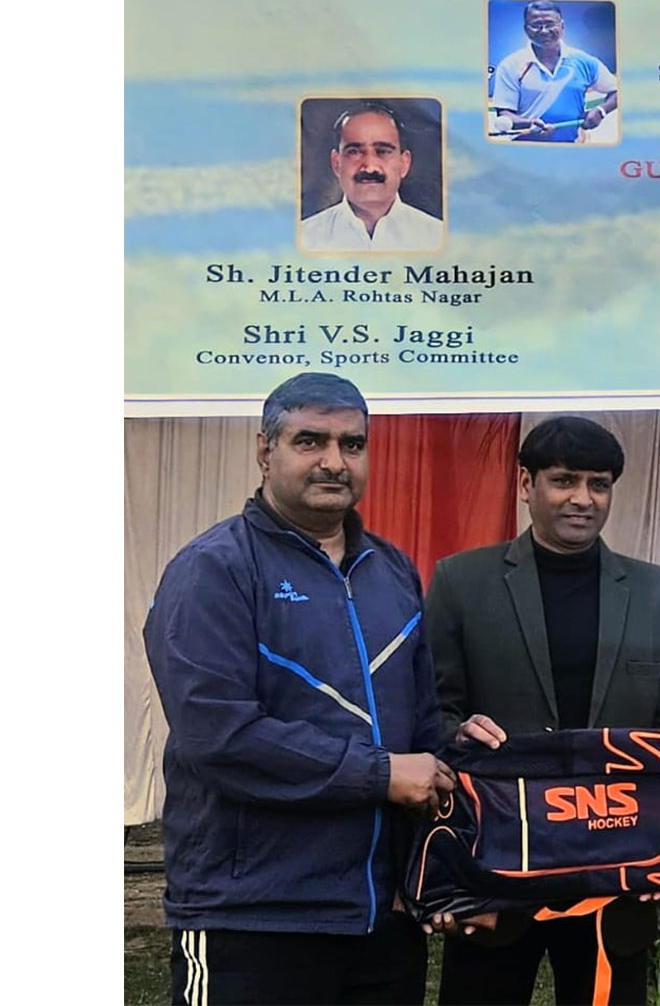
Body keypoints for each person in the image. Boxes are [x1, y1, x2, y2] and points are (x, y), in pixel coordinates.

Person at [143, 373, 452, 1006]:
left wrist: (454, 753)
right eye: (310, 441)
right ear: (265, 450)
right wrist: (383, 775)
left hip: (380, 920)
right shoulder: (214, 569)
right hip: (251, 919)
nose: (334, 462)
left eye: (353, 445)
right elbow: (220, 737)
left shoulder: (391, 571)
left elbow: (418, 724)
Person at [424, 416, 660, 1005]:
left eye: (598, 484)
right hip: (496, 864)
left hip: (620, 865)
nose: (583, 499)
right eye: (564, 480)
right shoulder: (461, 582)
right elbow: (433, 714)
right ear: (526, 483)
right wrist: (458, 731)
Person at [301, 102, 444, 251]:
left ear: (404, 163)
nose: (369, 167)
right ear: (336, 163)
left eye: (383, 151)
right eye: (354, 152)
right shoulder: (304, 238)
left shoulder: (437, 237)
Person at [489, 1, 618, 142]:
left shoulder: (585, 62)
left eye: (550, 24)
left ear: (562, 26)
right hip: (523, 149)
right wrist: (529, 124)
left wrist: (602, 111)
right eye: (536, 25)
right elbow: (505, 115)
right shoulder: (510, 65)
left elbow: (619, 92)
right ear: (526, 29)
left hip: (571, 149)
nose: (544, 31)